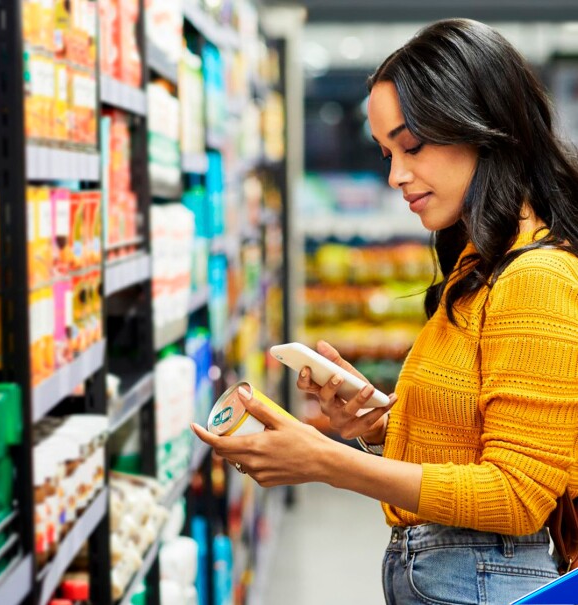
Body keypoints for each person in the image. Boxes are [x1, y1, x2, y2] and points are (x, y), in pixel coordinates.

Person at [191, 18, 578, 605]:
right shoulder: (480, 267)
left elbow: (517, 495)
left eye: (412, 146)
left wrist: (326, 461)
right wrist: (377, 423)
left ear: (485, 128)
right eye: (385, 152)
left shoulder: (537, 277)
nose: (395, 175)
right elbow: (473, 442)